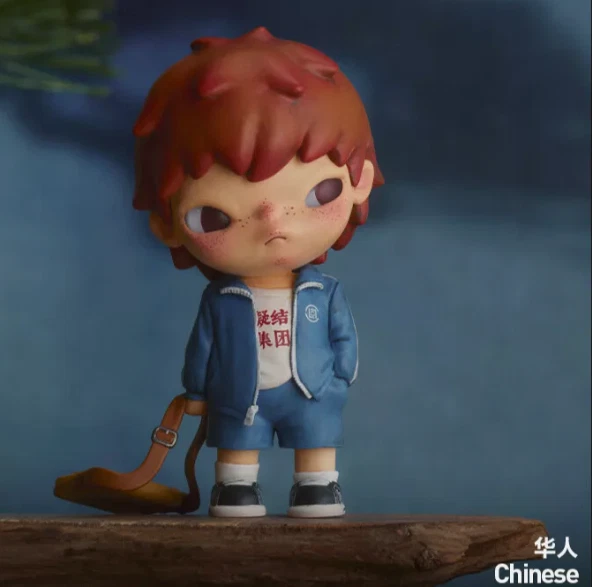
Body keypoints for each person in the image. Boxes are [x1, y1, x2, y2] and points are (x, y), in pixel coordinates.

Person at [133, 26, 384, 518]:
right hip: (238, 395)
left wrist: (339, 379)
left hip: (312, 389)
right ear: (166, 225)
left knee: (315, 442)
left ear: (360, 182)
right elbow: (202, 348)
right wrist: (197, 392)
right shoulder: (222, 300)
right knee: (237, 448)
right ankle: (234, 488)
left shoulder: (323, 292)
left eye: (318, 194)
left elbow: (344, 338)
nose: (273, 223)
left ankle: (318, 487)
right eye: (215, 217)